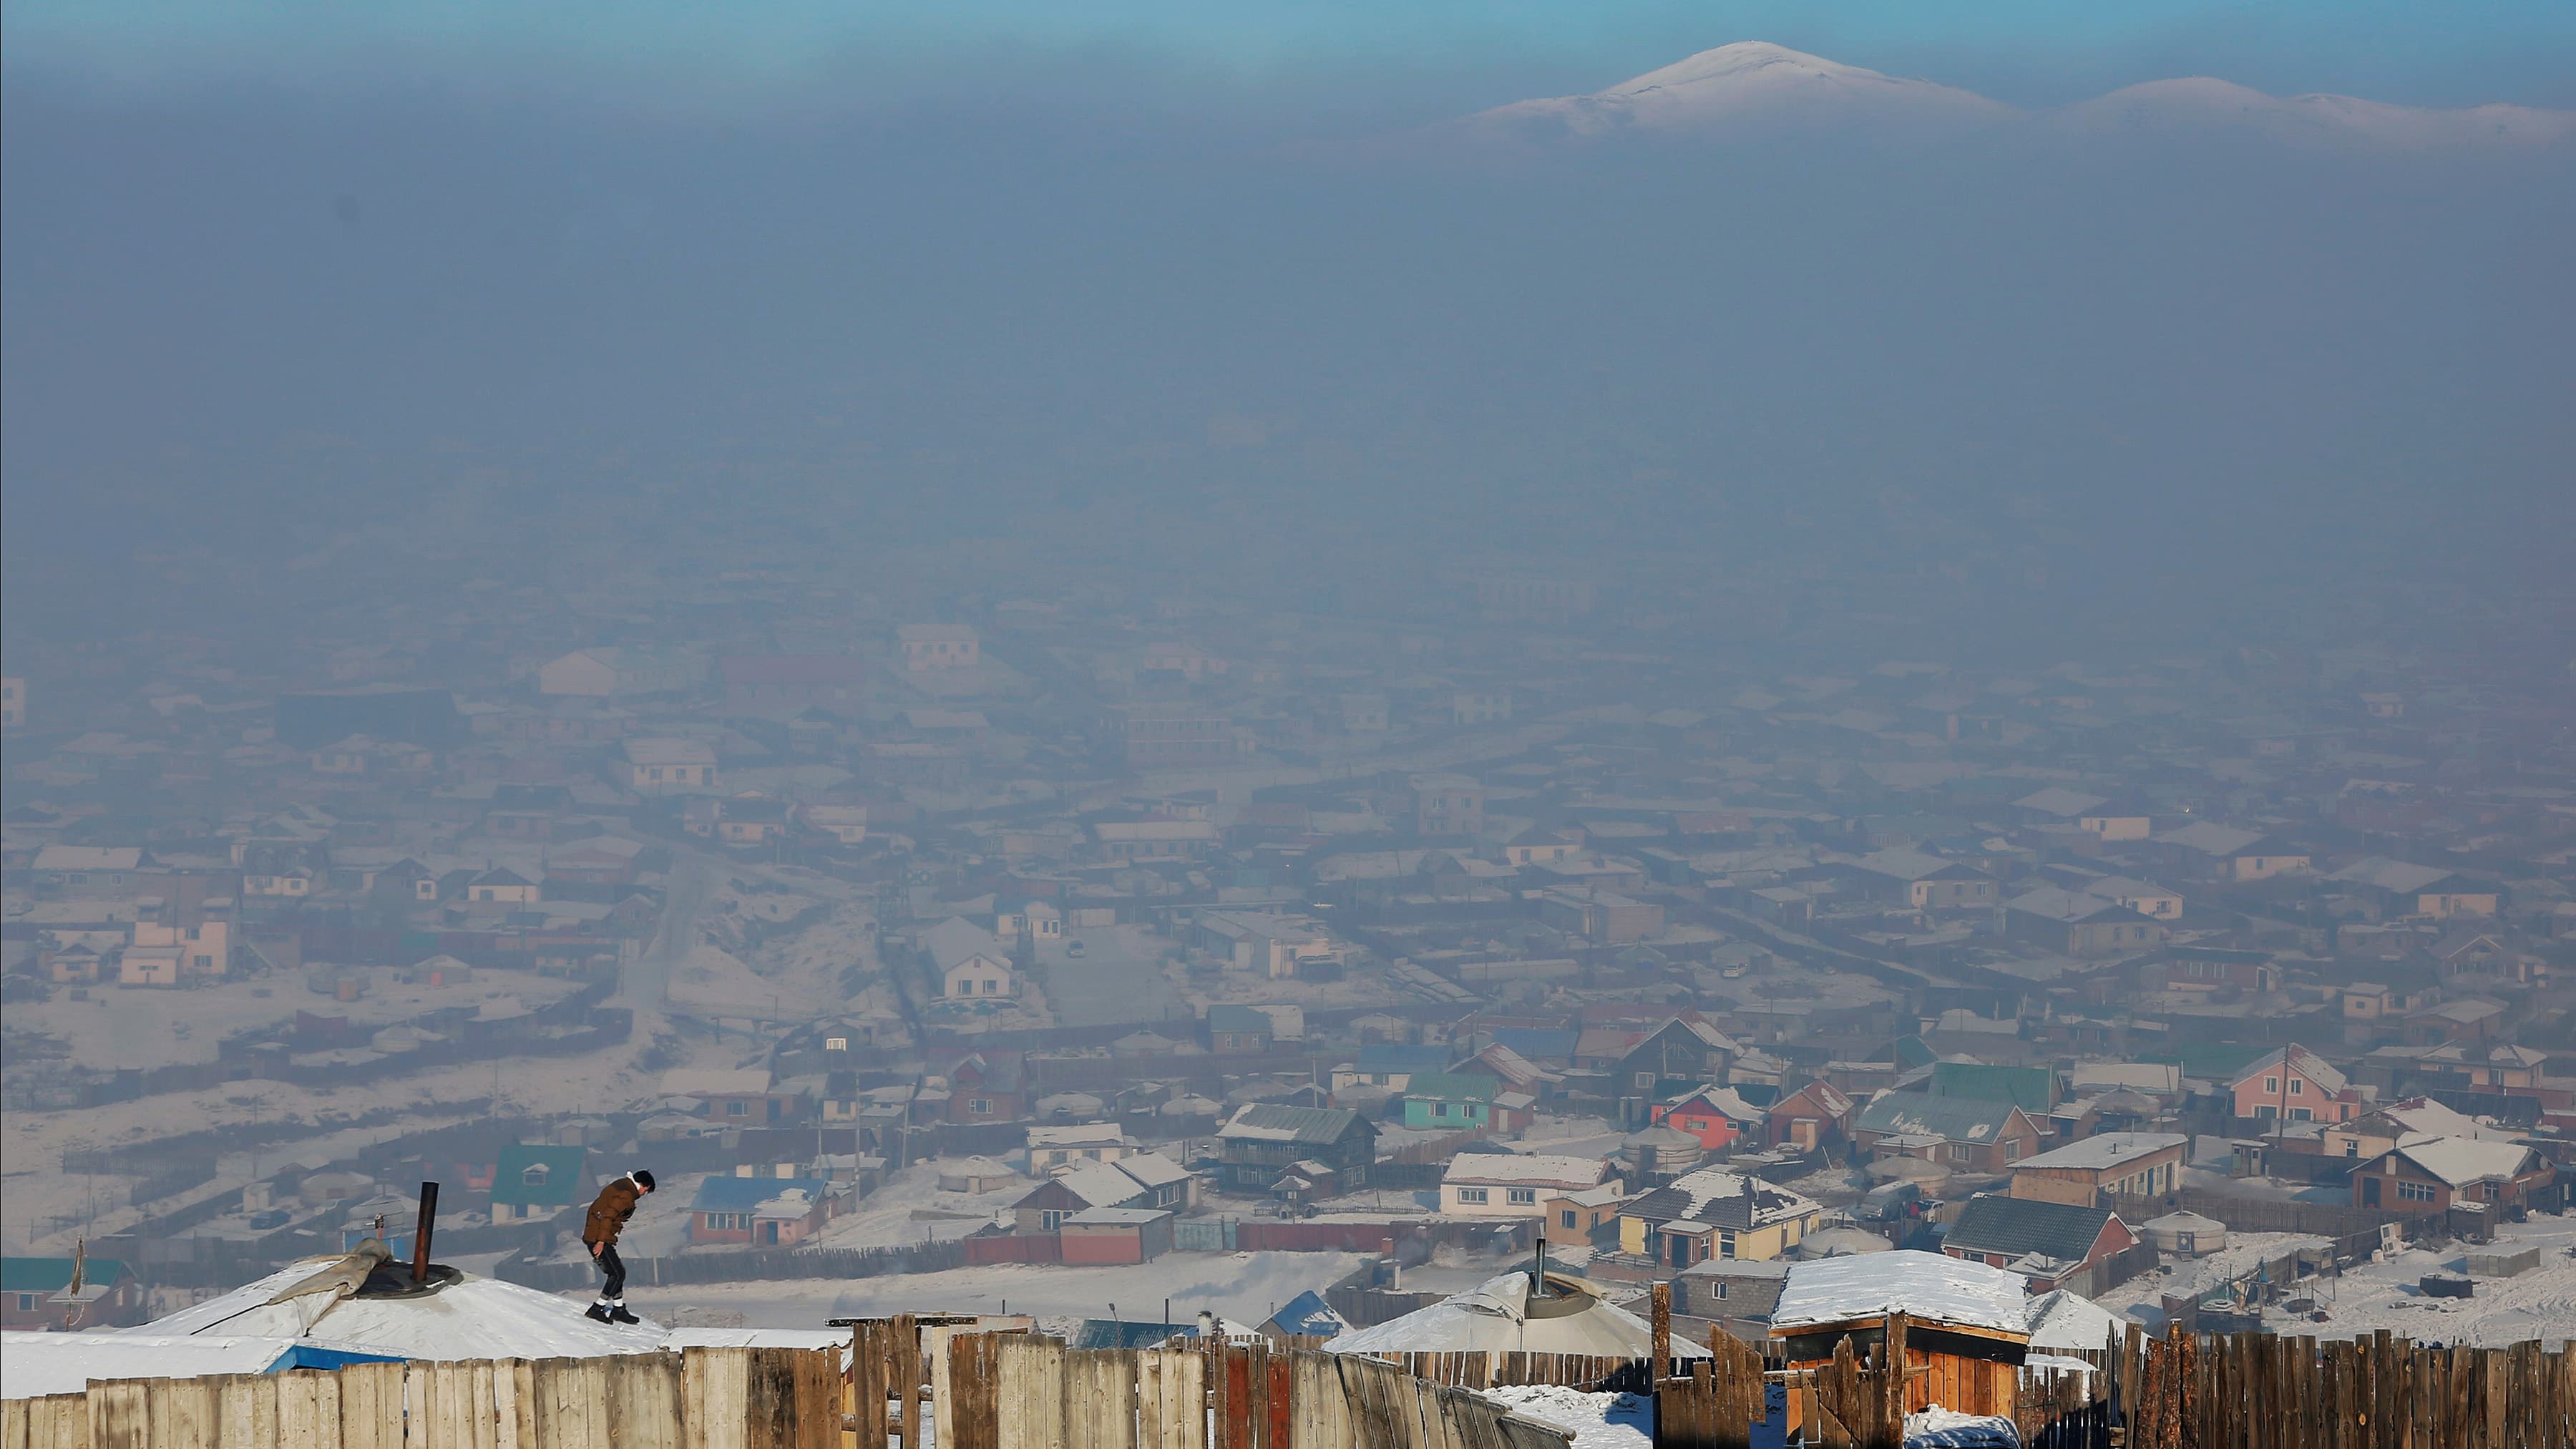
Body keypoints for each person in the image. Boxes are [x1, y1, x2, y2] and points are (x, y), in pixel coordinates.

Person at [582, 1169, 655, 1324]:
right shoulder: (626, 1195)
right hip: (599, 1237)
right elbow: (608, 1217)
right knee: (618, 1274)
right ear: (642, 1184)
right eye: (645, 1190)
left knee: (616, 1271)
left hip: (598, 1235)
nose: (643, 1194)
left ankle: (618, 1309)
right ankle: (597, 1308)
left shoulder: (622, 1186)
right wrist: (601, 1242)